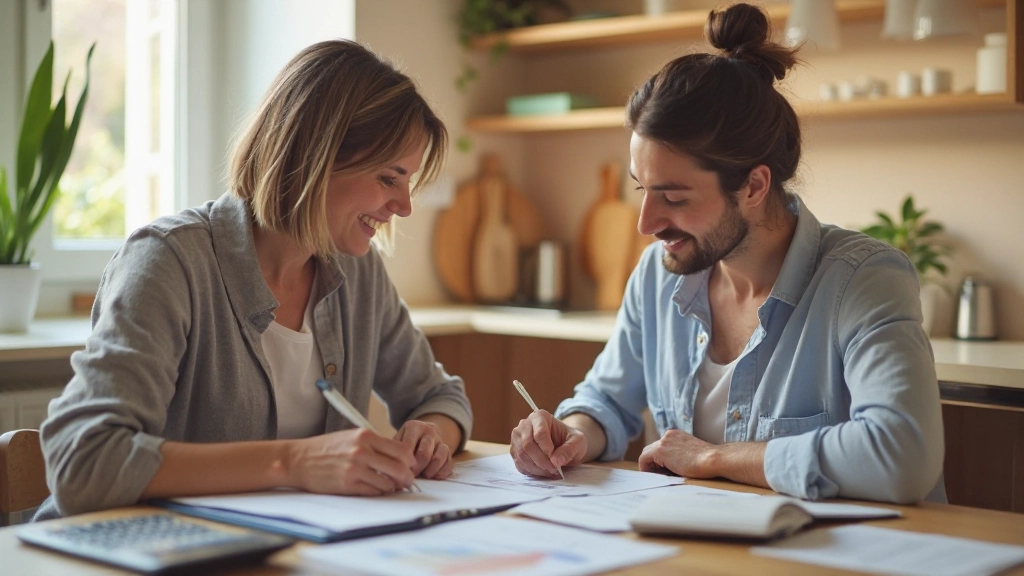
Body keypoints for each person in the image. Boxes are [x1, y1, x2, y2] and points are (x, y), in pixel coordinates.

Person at [509, 3, 945, 504]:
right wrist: (573, 433)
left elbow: (902, 455)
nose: (646, 223)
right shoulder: (658, 273)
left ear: (754, 185)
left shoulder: (864, 280)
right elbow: (606, 399)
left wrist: (713, 458)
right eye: (642, 190)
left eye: (674, 198)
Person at [36, 40, 472, 519]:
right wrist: (295, 461)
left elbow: (439, 396)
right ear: (315, 156)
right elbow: (86, 460)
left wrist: (431, 431)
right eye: (389, 178)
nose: (404, 207)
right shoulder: (167, 262)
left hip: (277, 551)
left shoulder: (358, 271)